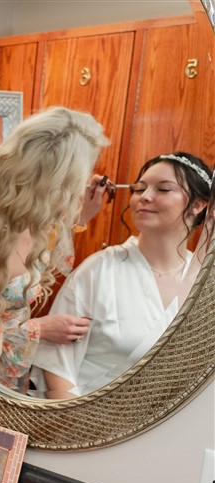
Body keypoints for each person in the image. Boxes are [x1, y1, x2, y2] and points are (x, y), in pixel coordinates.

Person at [0, 106, 110, 391]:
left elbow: (48, 253)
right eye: (81, 174)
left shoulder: (31, 219)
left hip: (1, 379)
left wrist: (81, 216)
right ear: (61, 180)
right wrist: (39, 330)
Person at [34, 152, 212, 398]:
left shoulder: (206, 282)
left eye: (163, 189)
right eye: (139, 189)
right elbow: (56, 369)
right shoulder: (98, 270)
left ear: (198, 205)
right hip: (88, 425)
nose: (144, 197)